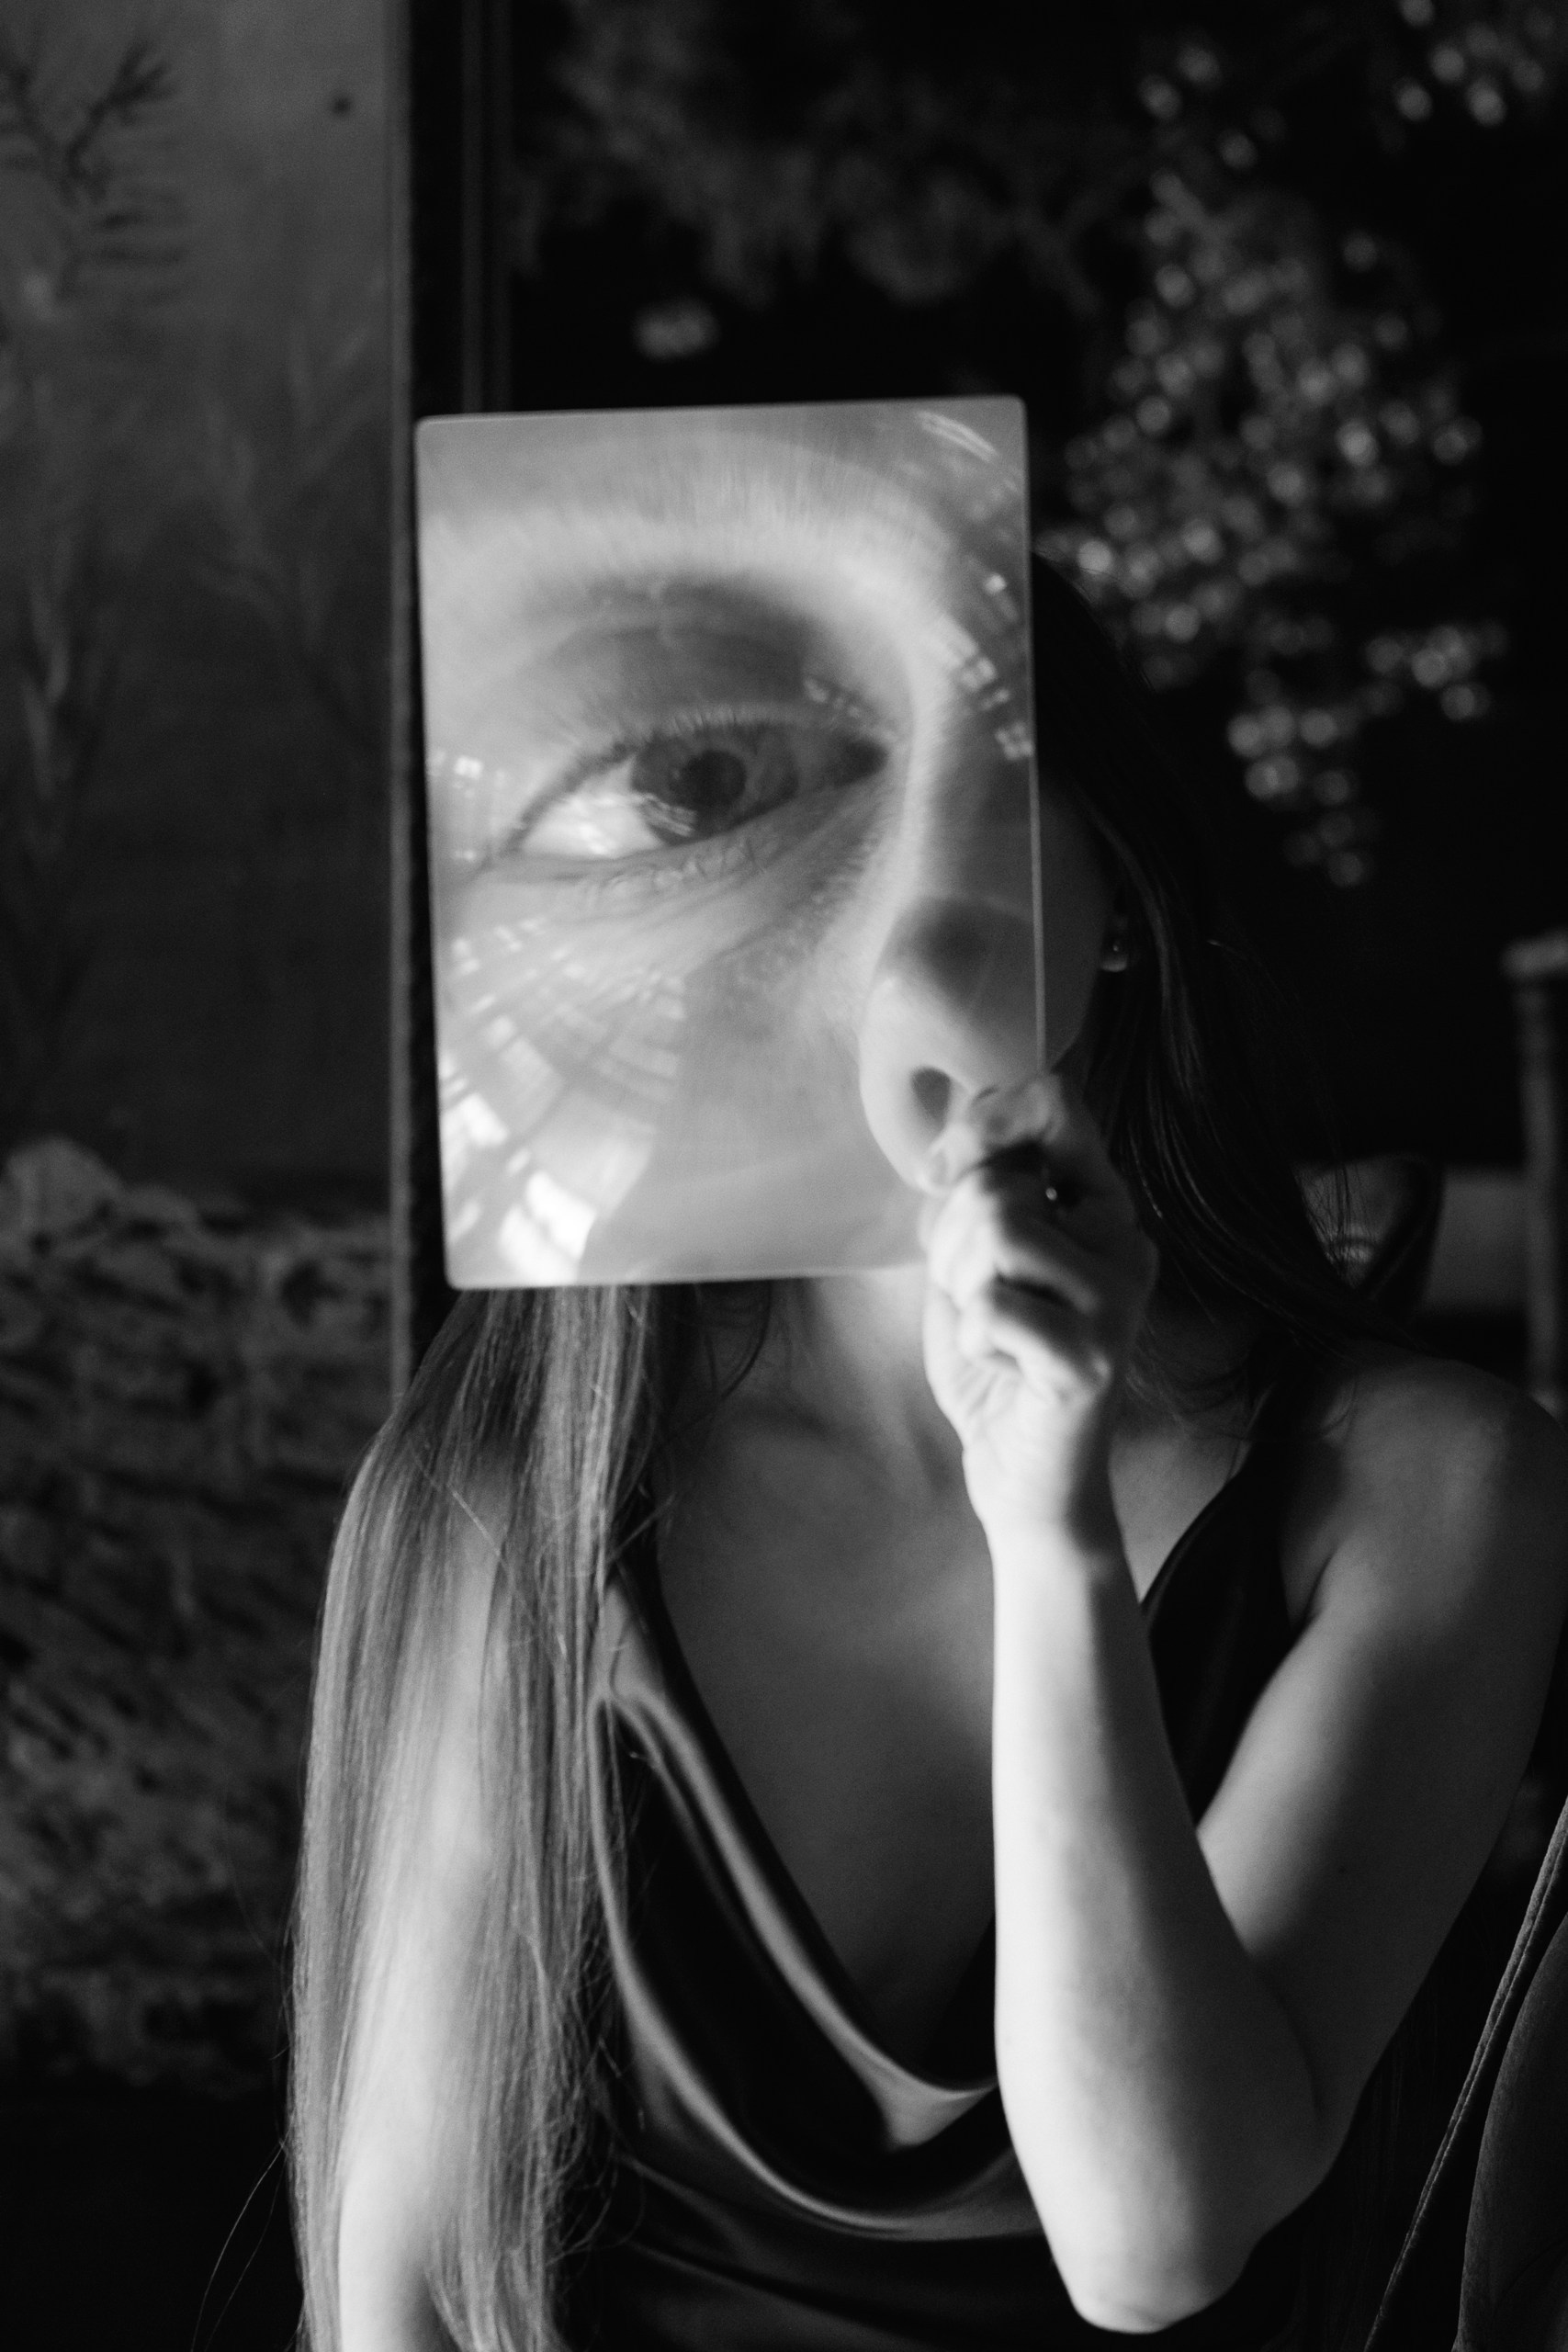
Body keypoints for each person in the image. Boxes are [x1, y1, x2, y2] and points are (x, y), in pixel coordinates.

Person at [291, 556, 1568, 2352]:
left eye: (952, 759)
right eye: (715, 788)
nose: (859, 889)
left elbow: (1149, 2239)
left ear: (1113, 894)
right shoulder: (509, 1491)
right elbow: (406, 2297)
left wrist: (1050, 1525)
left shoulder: (1435, 1487)